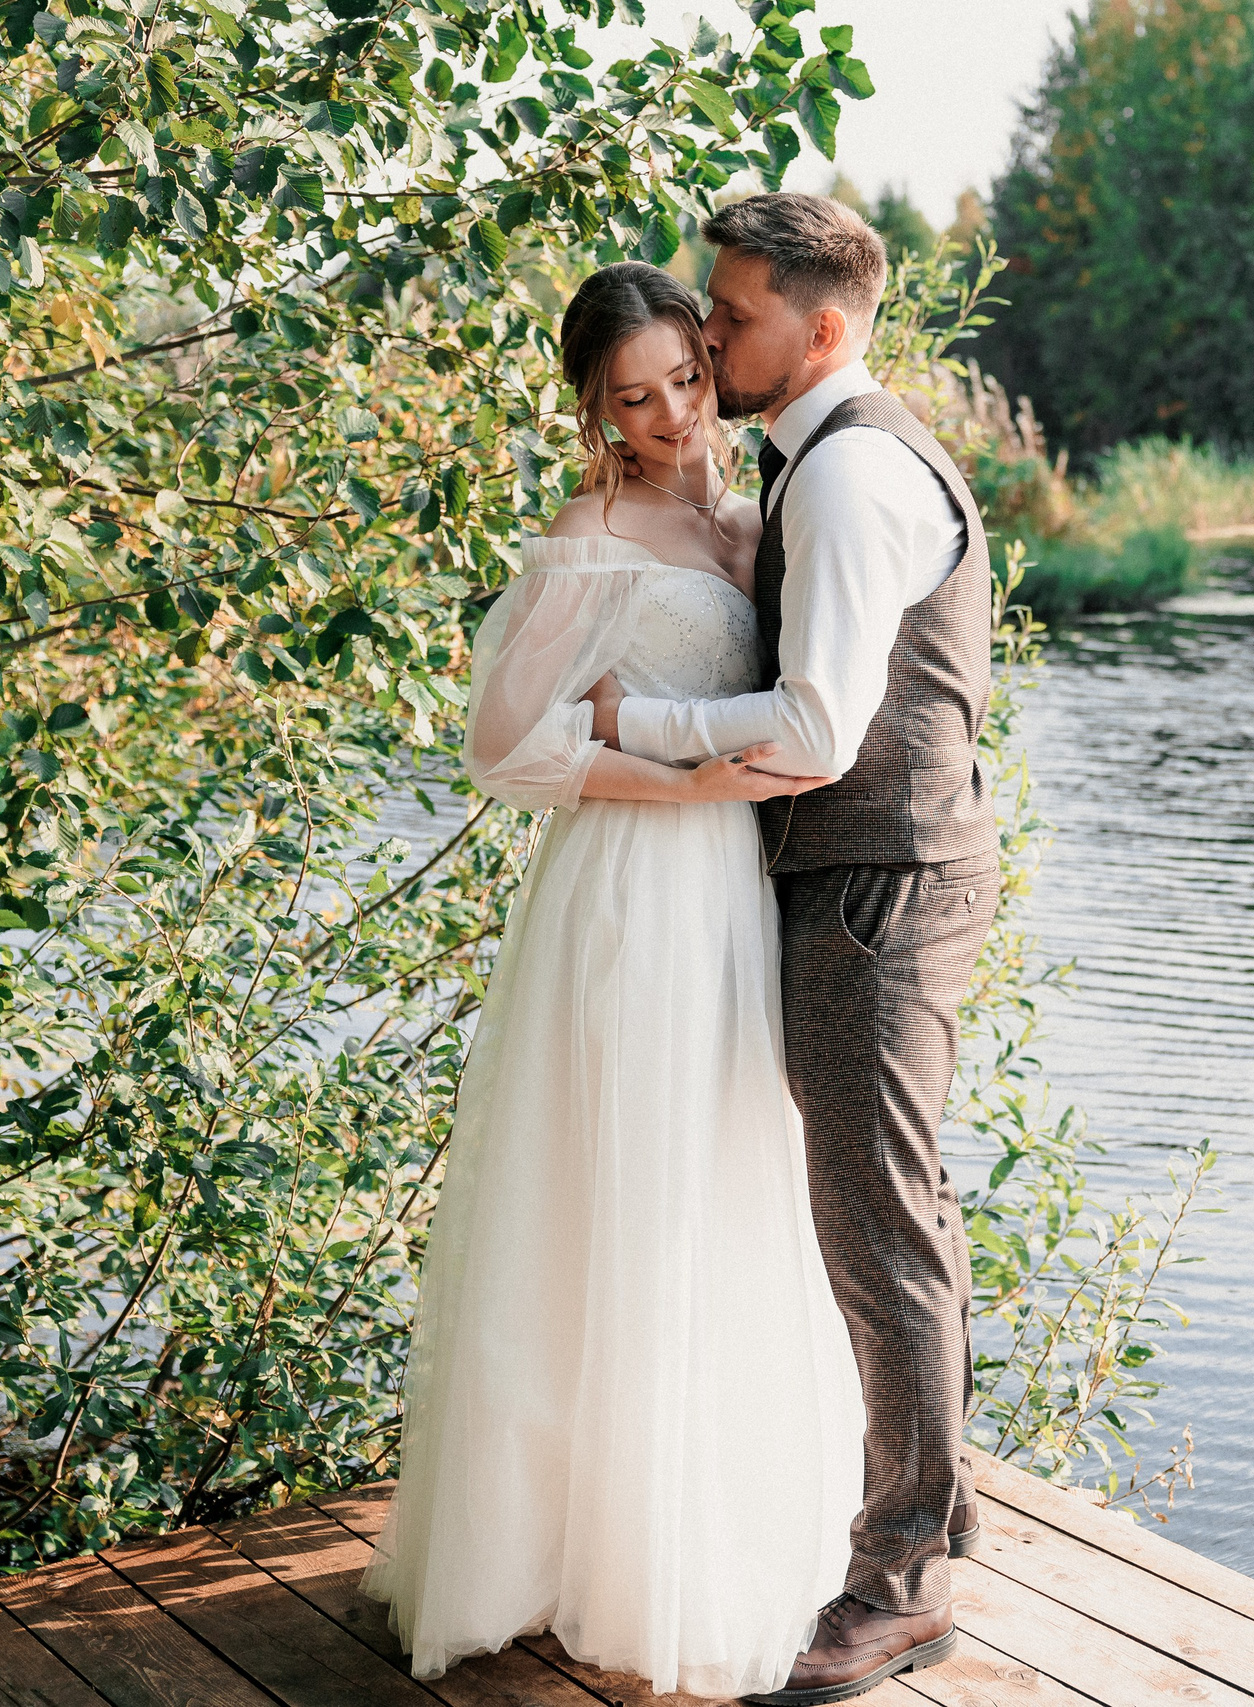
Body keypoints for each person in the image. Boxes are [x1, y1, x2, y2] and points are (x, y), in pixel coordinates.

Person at [359, 262, 865, 1699]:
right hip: (636, 894)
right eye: (629, 401)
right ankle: (577, 1554)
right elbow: (505, 749)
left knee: (720, 1185)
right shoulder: (588, 541)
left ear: (715, 361)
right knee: (620, 1195)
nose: (667, 419)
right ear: (594, 410)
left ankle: (702, 1517)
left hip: (736, 896)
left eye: (684, 383)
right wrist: (684, 788)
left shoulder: (765, 516)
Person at [587, 191, 1002, 1705]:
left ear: (821, 328)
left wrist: (646, 726)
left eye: (735, 312)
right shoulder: (827, 457)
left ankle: (897, 1585)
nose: (706, 333)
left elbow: (820, 731)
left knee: (874, 1234)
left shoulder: (845, 482)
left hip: (875, 891)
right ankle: (942, 1523)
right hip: (885, 876)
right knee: (906, 1215)